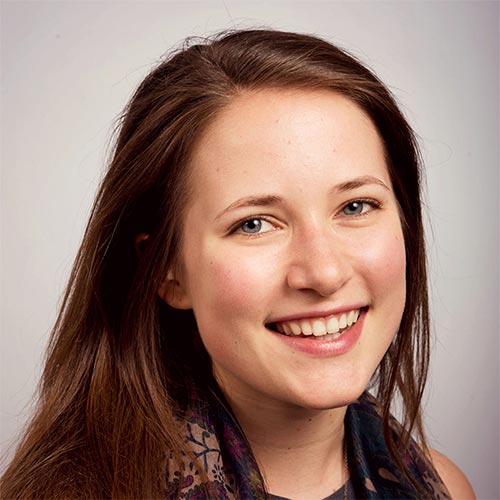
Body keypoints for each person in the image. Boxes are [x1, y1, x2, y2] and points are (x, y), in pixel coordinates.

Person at [0, 29, 475, 500]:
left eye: (355, 206)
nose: (325, 273)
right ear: (167, 270)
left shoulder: (443, 489)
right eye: (254, 224)